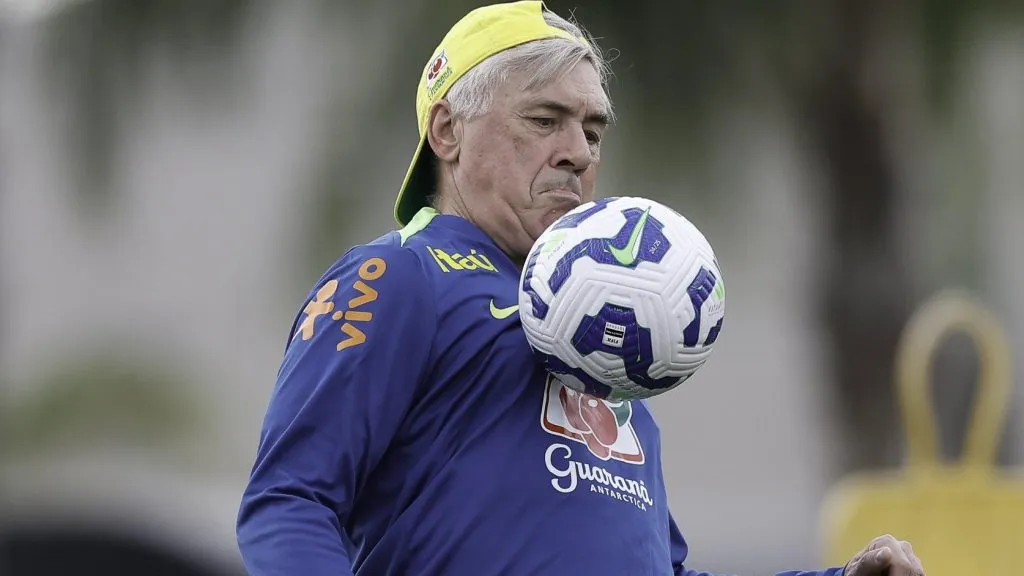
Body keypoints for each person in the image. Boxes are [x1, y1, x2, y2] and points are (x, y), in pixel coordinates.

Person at [235, 2, 926, 575]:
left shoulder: (616, 348)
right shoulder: (399, 279)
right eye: (545, 120)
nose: (579, 152)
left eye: (592, 129)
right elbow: (289, 502)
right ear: (448, 130)